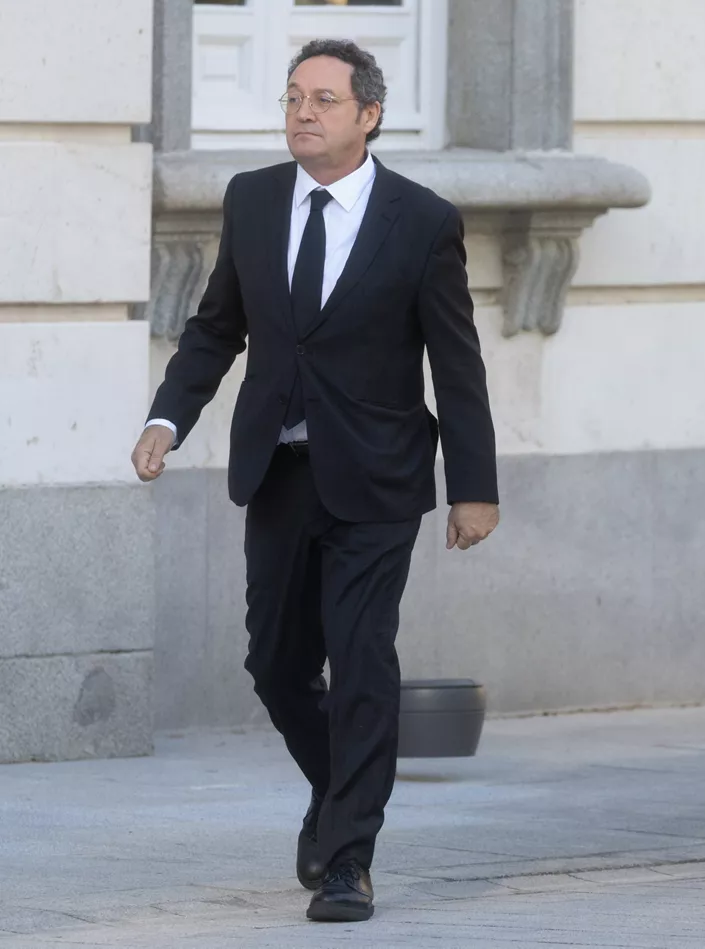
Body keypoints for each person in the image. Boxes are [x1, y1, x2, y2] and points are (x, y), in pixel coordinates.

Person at [129, 40, 500, 923]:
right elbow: (219, 327)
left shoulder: (421, 220)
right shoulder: (253, 200)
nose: (303, 112)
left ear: (368, 116)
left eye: (324, 99)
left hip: (378, 479)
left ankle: (348, 859)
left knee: (361, 655)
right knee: (276, 661)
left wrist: (474, 486)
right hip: (280, 471)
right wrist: (165, 417)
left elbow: (457, 364)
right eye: (295, 96)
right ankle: (340, 791)